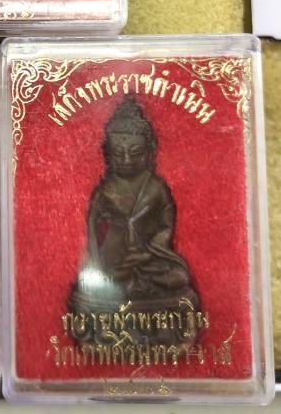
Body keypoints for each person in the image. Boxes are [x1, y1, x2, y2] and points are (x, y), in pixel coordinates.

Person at [68, 97, 200, 345]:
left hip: (151, 260)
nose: (127, 160)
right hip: (114, 259)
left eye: (135, 153)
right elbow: (93, 230)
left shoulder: (156, 187)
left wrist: (149, 253)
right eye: (119, 154)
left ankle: (133, 292)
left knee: (179, 277)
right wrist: (98, 260)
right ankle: (120, 290)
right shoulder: (105, 189)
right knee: (91, 281)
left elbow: (165, 225)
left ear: (149, 152)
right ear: (108, 154)